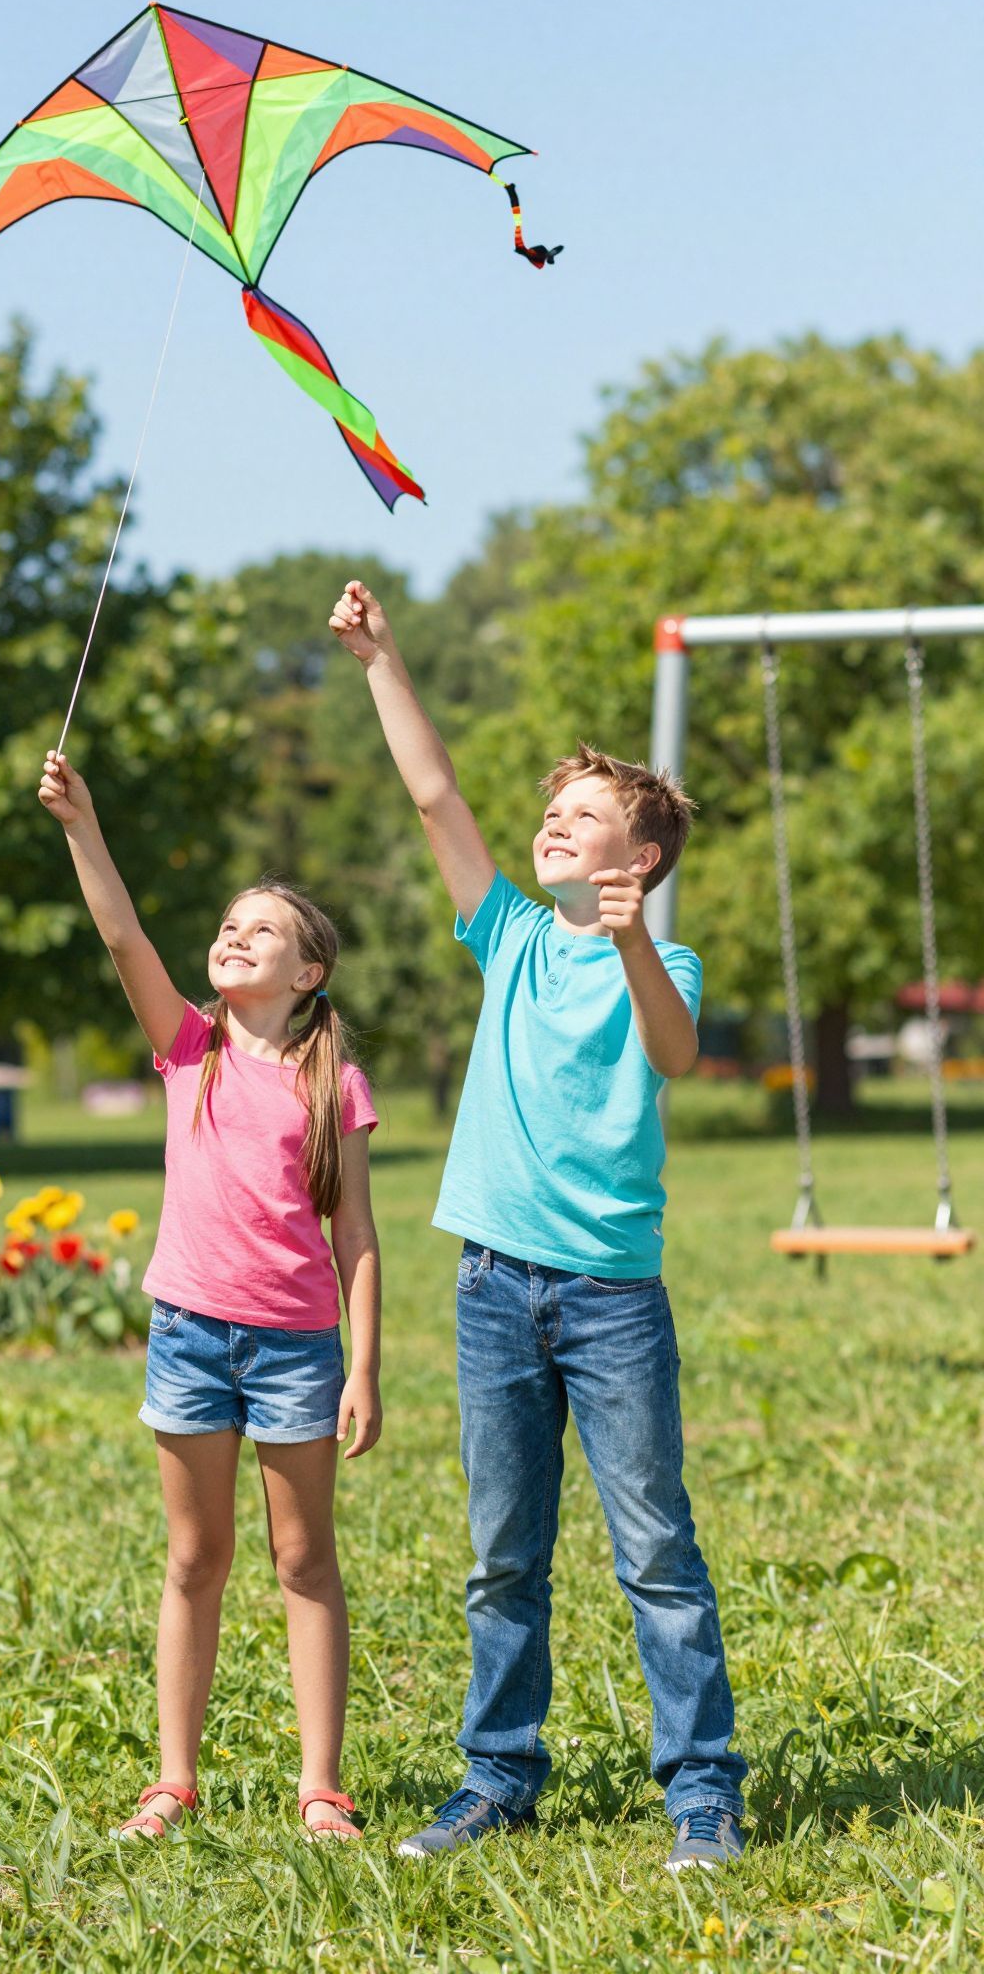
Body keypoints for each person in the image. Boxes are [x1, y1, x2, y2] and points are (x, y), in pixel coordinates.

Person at [330, 581, 747, 1873]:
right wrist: (383, 659)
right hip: (494, 1288)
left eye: (581, 821)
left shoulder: (658, 965)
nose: (549, 830)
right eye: (549, 817)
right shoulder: (508, 936)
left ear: (640, 861)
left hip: (610, 1301)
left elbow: (673, 1056)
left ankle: (701, 1794)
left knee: (655, 1552)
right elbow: (436, 799)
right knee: (503, 1554)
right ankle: (498, 1779)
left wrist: (630, 945)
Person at [38, 749, 382, 1843]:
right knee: (195, 1556)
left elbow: (357, 1234)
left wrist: (364, 1364)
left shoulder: (335, 1080)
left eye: (262, 929)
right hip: (189, 1333)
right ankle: (172, 1779)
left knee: (303, 1558)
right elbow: (122, 936)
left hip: (297, 1347)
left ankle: (321, 1783)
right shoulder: (188, 1047)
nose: (234, 934)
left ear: (309, 971)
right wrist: (83, 825)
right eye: (230, 924)